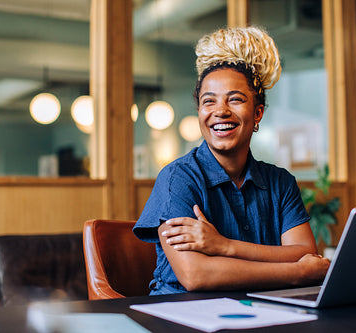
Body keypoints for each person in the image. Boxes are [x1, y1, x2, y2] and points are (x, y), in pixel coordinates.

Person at [133, 26, 330, 295]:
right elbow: (196, 275)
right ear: (200, 111)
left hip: (261, 310)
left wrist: (224, 245)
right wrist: (297, 273)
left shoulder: (281, 182)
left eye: (235, 100)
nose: (220, 112)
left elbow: (304, 252)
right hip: (182, 315)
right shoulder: (177, 178)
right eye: (208, 101)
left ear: (258, 112)